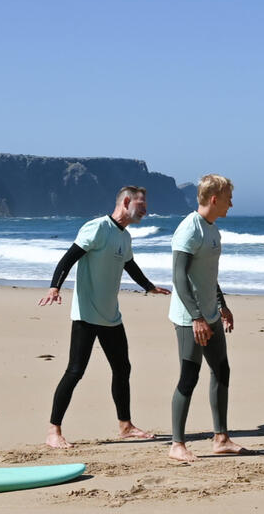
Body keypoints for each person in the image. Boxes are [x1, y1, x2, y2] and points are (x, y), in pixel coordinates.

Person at [39, 186, 170, 449]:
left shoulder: (125, 237)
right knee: (75, 371)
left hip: (111, 315)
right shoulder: (97, 228)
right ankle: (54, 431)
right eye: (141, 204)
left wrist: (148, 286)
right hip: (86, 313)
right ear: (125, 201)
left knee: (123, 368)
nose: (145, 210)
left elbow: (129, 264)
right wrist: (55, 286)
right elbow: (70, 257)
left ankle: (125, 426)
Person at [167, 174, 243, 462]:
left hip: (210, 313)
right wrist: (196, 317)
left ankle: (221, 438)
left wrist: (222, 305)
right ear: (214, 199)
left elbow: (209, 276)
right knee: (189, 376)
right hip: (190, 318)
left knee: (221, 371)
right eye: (228, 198)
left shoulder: (213, 230)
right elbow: (179, 277)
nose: (231, 204)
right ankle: (177, 444)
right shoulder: (189, 229)